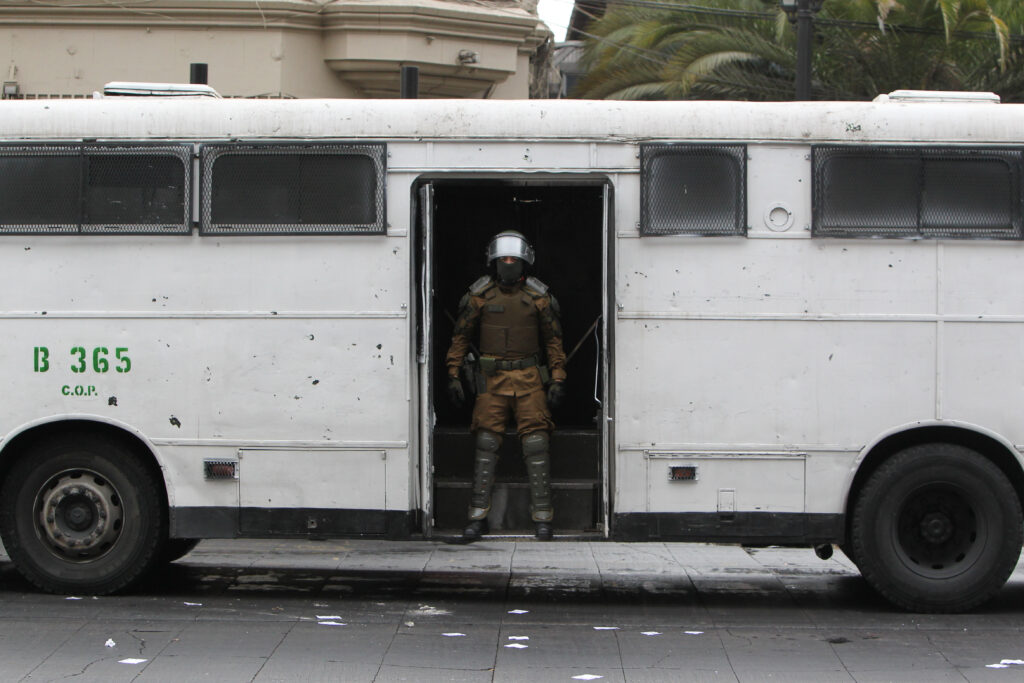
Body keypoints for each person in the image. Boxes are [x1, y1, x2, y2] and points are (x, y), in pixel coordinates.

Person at [445, 230, 567, 542]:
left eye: (514, 259)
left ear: (524, 262)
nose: (509, 264)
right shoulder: (479, 296)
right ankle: (477, 516)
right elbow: (460, 338)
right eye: (504, 259)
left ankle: (543, 517)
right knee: (486, 447)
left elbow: (554, 342)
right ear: (494, 262)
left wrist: (558, 378)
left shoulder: (539, 298)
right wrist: (454, 373)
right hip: (491, 381)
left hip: (528, 380)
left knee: (536, 446)